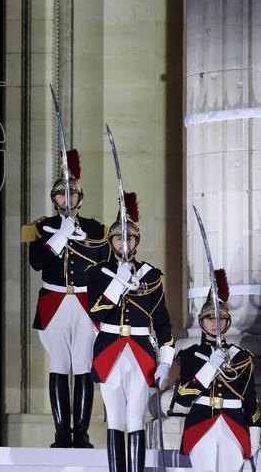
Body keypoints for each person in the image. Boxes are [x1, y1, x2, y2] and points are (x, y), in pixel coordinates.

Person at [23, 149, 109, 447]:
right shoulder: (42, 227)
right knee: (59, 363)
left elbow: (105, 269)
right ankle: (61, 433)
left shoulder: (97, 229)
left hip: (86, 304)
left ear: (80, 198)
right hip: (54, 302)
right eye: (62, 195)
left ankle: (81, 433)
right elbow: (36, 263)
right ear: (54, 198)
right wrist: (59, 235)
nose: (67, 200)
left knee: (84, 364)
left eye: (72, 195)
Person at [86, 192, 173, 472]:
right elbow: (96, 313)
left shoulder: (151, 276)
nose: (125, 243)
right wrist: (117, 283)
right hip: (110, 347)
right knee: (115, 419)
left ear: (136, 241)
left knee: (135, 418)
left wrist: (167, 360)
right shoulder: (98, 273)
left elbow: (162, 321)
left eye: (130, 239)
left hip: (140, 350)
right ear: (111, 242)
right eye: (120, 238)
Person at [169, 269, 260, 471]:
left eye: (220, 319)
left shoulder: (241, 357)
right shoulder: (191, 355)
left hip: (234, 424)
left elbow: (250, 399)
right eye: (210, 319)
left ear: (227, 323)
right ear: (201, 322)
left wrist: (254, 436)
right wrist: (210, 366)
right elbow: (184, 397)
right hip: (201, 421)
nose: (215, 324)